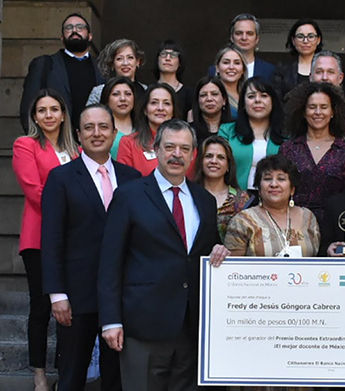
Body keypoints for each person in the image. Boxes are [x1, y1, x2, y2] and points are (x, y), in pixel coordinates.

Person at [98, 119, 230, 391]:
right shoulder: (129, 195)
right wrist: (111, 320)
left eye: (184, 148)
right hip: (143, 325)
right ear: (156, 149)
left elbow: (203, 251)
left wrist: (220, 249)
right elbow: (110, 261)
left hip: (192, 327)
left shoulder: (204, 200)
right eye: (169, 147)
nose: (176, 154)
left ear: (194, 155)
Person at [41, 104, 140, 391]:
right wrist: (57, 295)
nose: (97, 133)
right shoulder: (61, 178)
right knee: (72, 375)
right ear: (78, 134)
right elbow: (51, 238)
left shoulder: (133, 178)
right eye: (89, 128)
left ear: (114, 132)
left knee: (116, 378)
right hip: (76, 296)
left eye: (103, 127)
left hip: (123, 296)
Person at [12, 89, 79, 391]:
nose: (49, 115)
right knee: (41, 308)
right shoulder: (25, 145)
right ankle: (39, 376)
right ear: (34, 117)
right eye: (42, 110)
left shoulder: (75, 150)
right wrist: (75, 213)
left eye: (54, 109)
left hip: (74, 240)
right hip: (39, 238)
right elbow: (34, 190)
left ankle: (65, 372)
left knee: (73, 308)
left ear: (64, 114)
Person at [280, 82, 345, 222]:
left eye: (324, 107)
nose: (318, 112)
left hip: (334, 224)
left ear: (332, 112)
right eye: (312, 107)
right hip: (294, 224)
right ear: (303, 112)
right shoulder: (289, 148)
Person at [20, 13, 103, 132]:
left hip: (94, 142)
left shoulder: (103, 68)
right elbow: (28, 108)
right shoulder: (44, 65)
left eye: (80, 27)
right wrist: (39, 144)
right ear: (62, 37)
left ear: (90, 36)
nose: (74, 30)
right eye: (69, 28)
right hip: (55, 144)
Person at [225, 154, 320, 257]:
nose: (274, 184)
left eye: (281, 179)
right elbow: (233, 268)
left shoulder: (308, 217)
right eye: (267, 178)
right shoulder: (242, 221)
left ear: (292, 189)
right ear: (259, 189)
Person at [218, 77, 286, 192]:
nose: (257, 100)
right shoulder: (227, 131)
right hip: (234, 198)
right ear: (243, 103)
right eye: (251, 96)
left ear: (273, 101)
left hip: (276, 196)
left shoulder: (286, 135)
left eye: (264, 96)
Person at [194, 135, 251, 242]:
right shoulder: (189, 194)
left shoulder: (240, 199)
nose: (214, 161)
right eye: (208, 156)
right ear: (200, 162)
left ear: (228, 165)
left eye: (221, 157)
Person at [117, 83, 180, 176]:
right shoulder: (129, 143)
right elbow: (125, 182)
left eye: (166, 103)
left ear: (173, 110)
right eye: (154, 102)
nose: (160, 108)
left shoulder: (186, 144)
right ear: (145, 110)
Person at [207, 13, 275, 79]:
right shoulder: (214, 70)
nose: (244, 38)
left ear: (257, 39)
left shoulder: (269, 71)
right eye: (239, 33)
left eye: (249, 33)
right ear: (231, 37)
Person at [272, 19, 323, 99]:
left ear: (318, 40)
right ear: (293, 40)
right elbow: (277, 100)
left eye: (311, 36)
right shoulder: (282, 68)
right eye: (300, 36)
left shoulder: (326, 66)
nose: (305, 41)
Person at [86, 38, 146, 105]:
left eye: (130, 57)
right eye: (119, 59)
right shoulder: (99, 92)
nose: (125, 63)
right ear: (112, 64)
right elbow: (88, 115)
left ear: (138, 61)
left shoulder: (146, 91)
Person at [155, 39, 195, 121]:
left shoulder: (190, 94)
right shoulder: (148, 91)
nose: (167, 58)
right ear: (157, 59)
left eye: (173, 55)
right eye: (163, 54)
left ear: (180, 62)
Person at [99, 76, 136, 159]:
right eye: (116, 94)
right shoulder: (99, 132)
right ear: (107, 100)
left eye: (128, 94)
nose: (123, 99)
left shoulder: (144, 128)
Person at [190, 76, 232, 144]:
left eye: (214, 94)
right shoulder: (189, 131)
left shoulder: (235, 130)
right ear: (198, 101)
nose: (209, 99)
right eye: (203, 95)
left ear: (224, 100)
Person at [213, 44, 248, 119]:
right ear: (217, 68)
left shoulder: (248, 94)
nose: (231, 67)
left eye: (237, 63)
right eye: (226, 62)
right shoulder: (211, 94)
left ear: (243, 70)